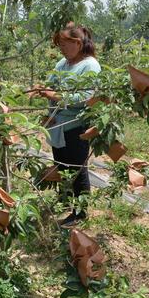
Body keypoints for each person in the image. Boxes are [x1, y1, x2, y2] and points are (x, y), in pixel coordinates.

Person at [35, 23, 101, 227]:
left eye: (64, 44)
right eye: (59, 45)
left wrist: (53, 94)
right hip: (58, 124)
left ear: (78, 43)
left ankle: (80, 213)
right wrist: (47, 102)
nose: (61, 49)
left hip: (77, 125)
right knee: (61, 165)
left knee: (76, 168)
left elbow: (84, 98)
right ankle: (65, 199)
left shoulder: (90, 66)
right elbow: (52, 84)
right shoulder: (63, 64)